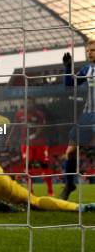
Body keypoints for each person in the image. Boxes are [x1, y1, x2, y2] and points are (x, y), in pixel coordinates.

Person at [59, 40, 95, 200]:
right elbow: (69, 84)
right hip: (87, 115)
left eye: (93, 50)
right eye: (88, 51)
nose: (90, 53)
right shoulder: (88, 69)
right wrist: (68, 66)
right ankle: (69, 184)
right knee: (70, 152)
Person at [6, 97, 53, 196]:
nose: (28, 105)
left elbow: (42, 126)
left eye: (30, 103)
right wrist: (9, 138)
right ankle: (30, 192)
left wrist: (33, 136)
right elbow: (15, 126)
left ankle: (50, 191)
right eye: (26, 103)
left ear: (34, 104)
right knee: (28, 166)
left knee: (44, 164)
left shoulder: (39, 114)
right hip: (26, 144)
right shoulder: (19, 114)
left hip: (40, 143)